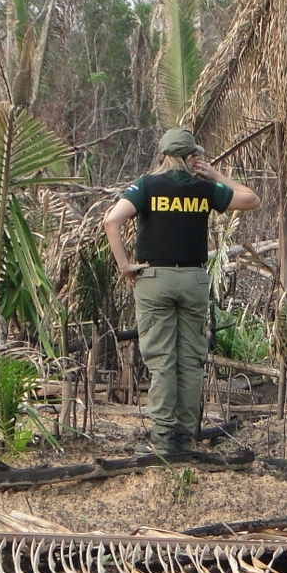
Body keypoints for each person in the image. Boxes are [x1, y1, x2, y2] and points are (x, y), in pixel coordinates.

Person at [103, 127, 259, 459]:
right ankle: (186, 436)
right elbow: (250, 198)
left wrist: (124, 265)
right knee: (190, 360)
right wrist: (216, 175)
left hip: (154, 279)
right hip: (193, 279)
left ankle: (163, 438)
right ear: (191, 157)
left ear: (163, 155)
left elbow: (111, 221)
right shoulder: (203, 188)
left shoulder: (146, 186)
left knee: (162, 360)